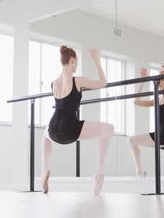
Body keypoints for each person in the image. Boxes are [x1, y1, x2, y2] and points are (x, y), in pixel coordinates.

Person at [42, 46, 114, 195]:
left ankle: (44, 170)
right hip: (69, 129)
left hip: (53, 128)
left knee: (44, 136)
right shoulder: (77, 80)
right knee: (108, 129)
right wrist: (97, 61)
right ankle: (100, 175)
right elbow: (103, 83)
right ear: (72, 61)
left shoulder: (53, 84)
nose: (76, 67)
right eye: (76, 63)